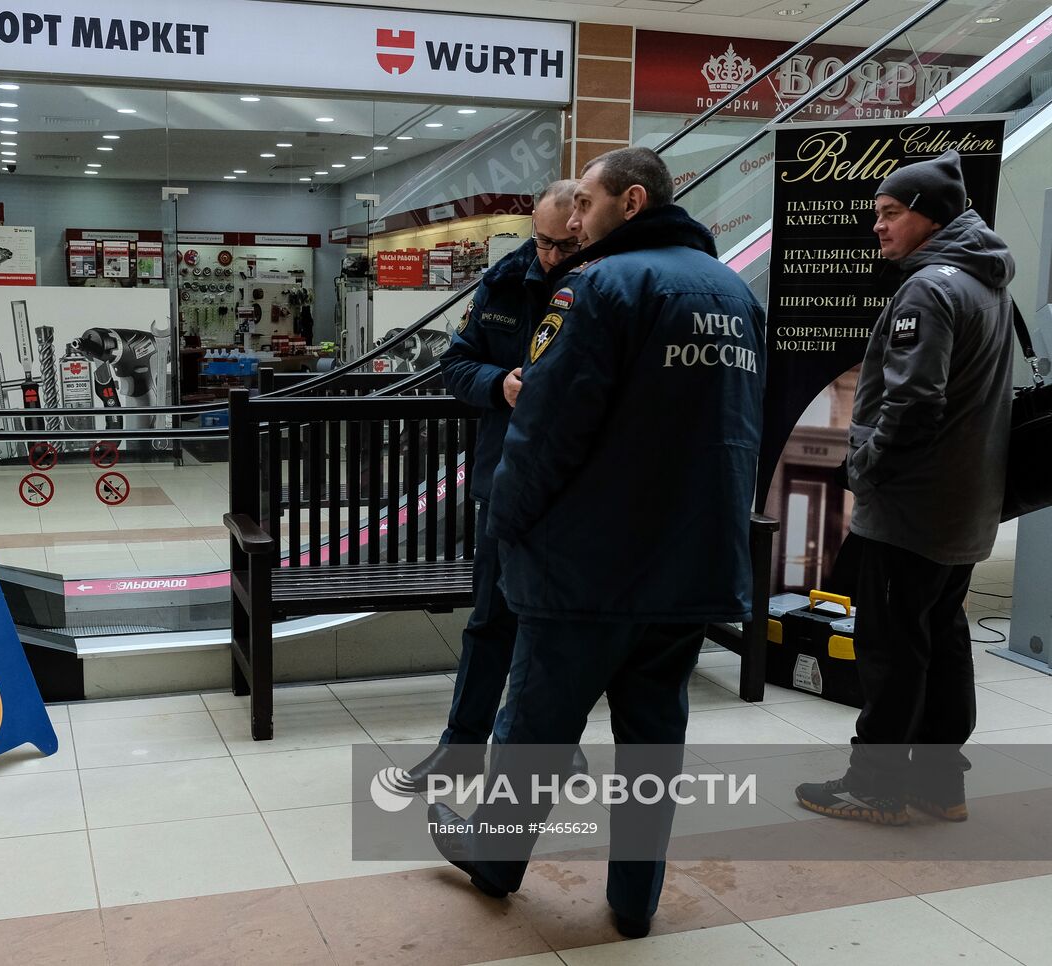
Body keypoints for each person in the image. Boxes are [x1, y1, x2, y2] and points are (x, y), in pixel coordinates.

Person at [427, 147, 766, 939]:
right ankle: (636, 900)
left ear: (632, 201)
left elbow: (546, 430)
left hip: (589, 567)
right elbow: (739, 434)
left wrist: (506, 523)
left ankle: (494, 859)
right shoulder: (734, 295)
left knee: (535, 728)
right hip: (693, 562)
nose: (573, 218)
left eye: (585, 201)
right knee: (655, 741)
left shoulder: (598, 288)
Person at [795, 149, 1015, 826]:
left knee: (891, 649)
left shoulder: (930, 287)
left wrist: (866, 469)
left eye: (890, 213)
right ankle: (940, 782)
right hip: (964, 504)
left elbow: (914, 401)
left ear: (930, 215)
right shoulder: (986, 282)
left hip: (913, 507)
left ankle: (878, 785)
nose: (878, 228)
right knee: (942, 640)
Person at [405, 180, 586, 790]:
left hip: (577, 487)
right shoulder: (505, 279)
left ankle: (556, 746)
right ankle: (459, 749)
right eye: (542, 241)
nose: (551, 256)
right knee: (491, 621)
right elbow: (455, 363)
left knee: (565, 626)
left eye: (566, 245)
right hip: (504, 482)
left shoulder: (607, 285)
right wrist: (497, 385)